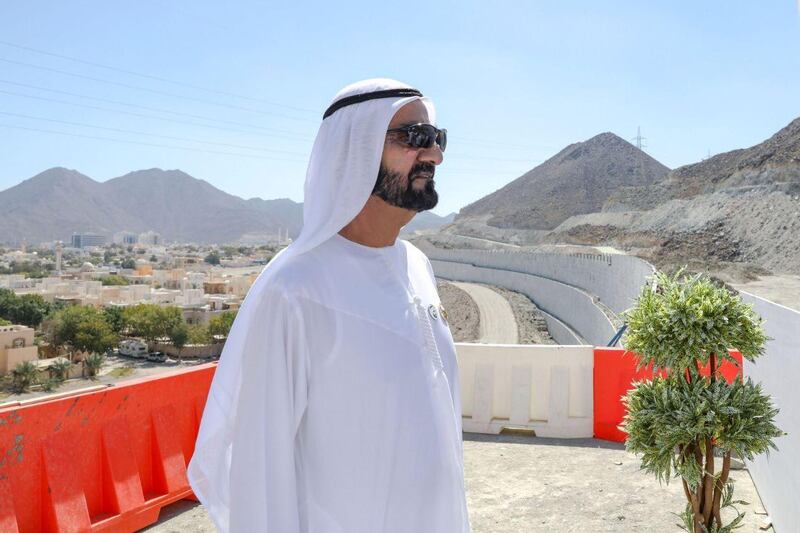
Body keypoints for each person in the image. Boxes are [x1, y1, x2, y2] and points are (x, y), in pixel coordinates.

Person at [187, 78, 470, 533]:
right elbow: (259, 479)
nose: (434, 154)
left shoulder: (417, 266)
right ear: (353, 151)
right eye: (414, 138)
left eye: (437, 139)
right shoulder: (295, 288)